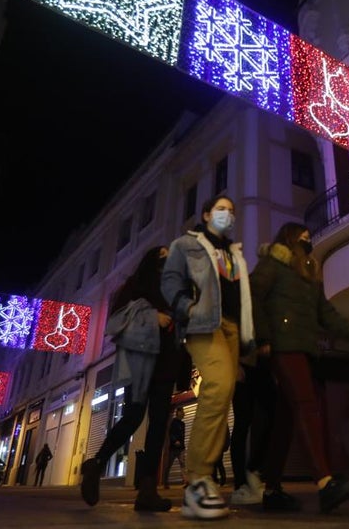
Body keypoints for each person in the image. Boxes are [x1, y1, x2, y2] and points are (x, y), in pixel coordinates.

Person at [250, 222, 349, 514]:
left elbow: (325, 312)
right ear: (288, 239)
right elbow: (251, 295)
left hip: (304, 348)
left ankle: (272, 489)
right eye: (301, 238)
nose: (307, 241)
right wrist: (263, 336)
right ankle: (325, 482)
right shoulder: (272, 265)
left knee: (286, 417)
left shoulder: (307, 275)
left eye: (309, 238)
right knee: (306, 404)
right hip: (282, 345)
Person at [161, 194, 255, 520]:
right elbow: (171, 279)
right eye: (221, 208)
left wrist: (247, 340)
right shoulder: (187, 245)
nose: (227, 213)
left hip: (230, 328)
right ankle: (198, 481)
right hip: (202, 323)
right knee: (218, 383)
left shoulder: (234, 253)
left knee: (224, 391)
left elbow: (242, 299)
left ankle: (203, 478)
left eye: (231, 210)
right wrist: (186, 306)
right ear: (205, 214)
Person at [80, 246, 186, 512]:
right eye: (162, 252)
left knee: (160, 424)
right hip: (140, 361)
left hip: (167, 360)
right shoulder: (136, 284)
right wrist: (153, 317)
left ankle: (147, 490)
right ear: (151, 258)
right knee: (133, 416)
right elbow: (115, 321)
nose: (167, 255)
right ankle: (97, 462)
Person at [228, 355, 276, 506]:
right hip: (242, 362)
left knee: (274, 415)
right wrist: (234, 363)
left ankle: (254, 468)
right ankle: (240, 485)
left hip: (263, 365)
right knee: (242, 422)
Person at [164, 407, 187, 489]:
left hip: (181, 448)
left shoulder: (183, 424)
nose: (183, 413)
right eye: (182, 412)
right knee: (169, 465)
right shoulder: (174, 422)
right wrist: (175, 441)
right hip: (173, 448)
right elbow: (170, 433)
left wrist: (183, 445)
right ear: (178, 413)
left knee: (183, 465)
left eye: (183, 412)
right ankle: (165, 482)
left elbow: (183, 436)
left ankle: (186, 481)